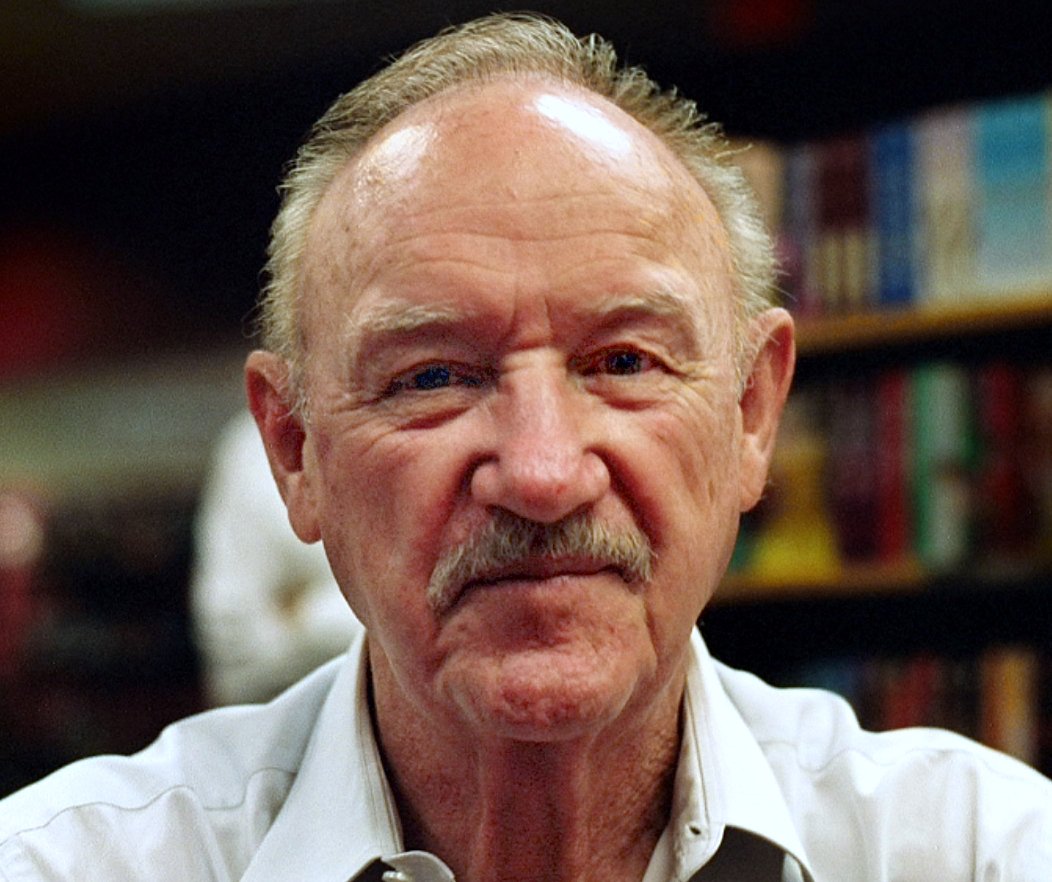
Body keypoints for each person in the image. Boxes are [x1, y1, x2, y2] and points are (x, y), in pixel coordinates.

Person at [1, 13, 1050, 882]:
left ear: (748, 416)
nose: (543, 474)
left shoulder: (980, 851)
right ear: (293, 451)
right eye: (431, 378)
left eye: (625, 362)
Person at [190, 409, 361, 705]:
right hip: (282, 717)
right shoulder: (251, 446)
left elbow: (427, 620)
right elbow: (232, 636)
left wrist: (303, 611)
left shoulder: (417, 430)